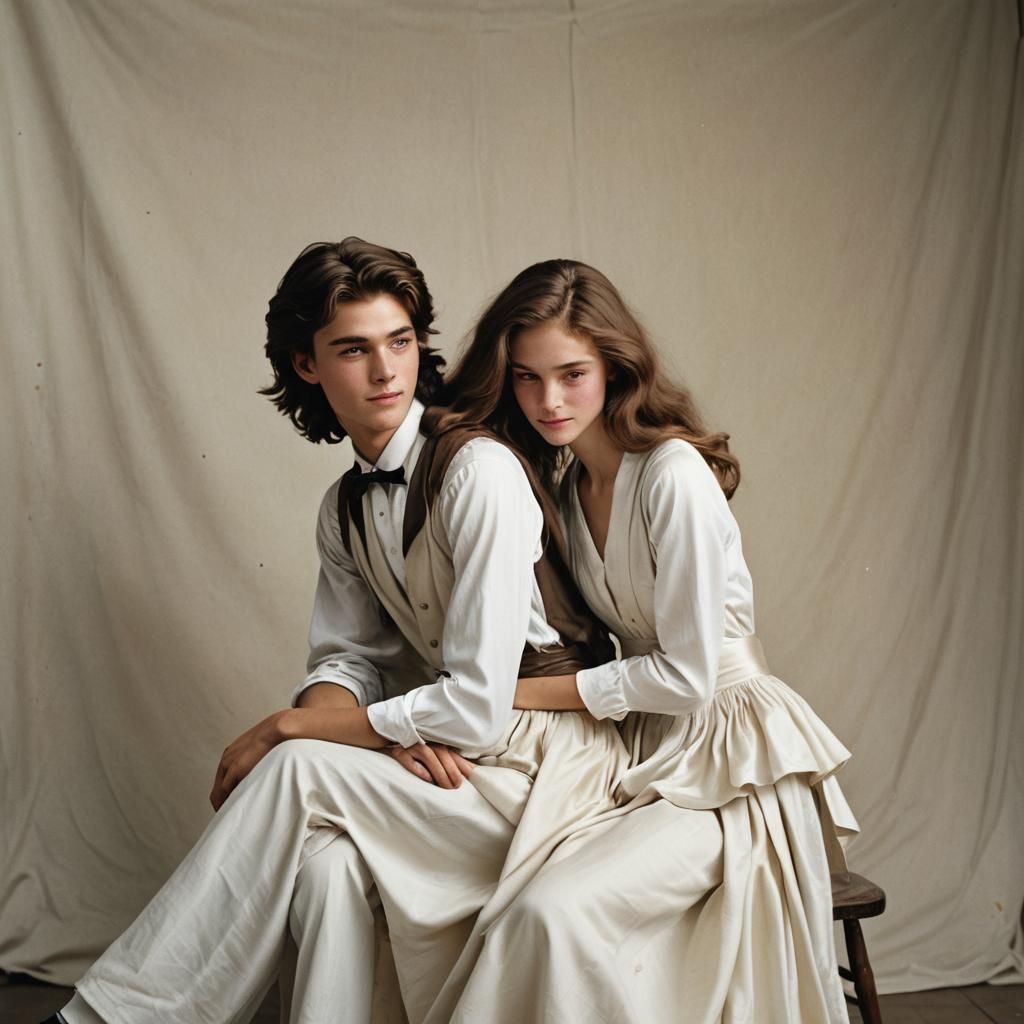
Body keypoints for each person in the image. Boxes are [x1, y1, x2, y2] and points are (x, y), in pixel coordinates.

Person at [48, 240, 627, 1024]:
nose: (387, 371)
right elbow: (349, 660)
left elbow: (481, 708)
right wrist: (363, 734)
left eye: (399, 343)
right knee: (321, 865)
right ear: (307, 365)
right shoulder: (344, 508)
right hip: (465, 763)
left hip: (554, 771)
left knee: (292, 769)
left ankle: (101, 1020)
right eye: (354, 350)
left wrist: (297, 730)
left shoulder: (477, 472)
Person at [425, 259, 859, 1024]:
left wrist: (513, 693)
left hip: (736, 761)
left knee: (552, 912)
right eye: (525, 378)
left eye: (571, 373)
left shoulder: (672, 475)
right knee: (510, 896)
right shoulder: (560, 490)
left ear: (615, 367)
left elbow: (689, 679)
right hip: (643, 752)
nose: (548, 400)